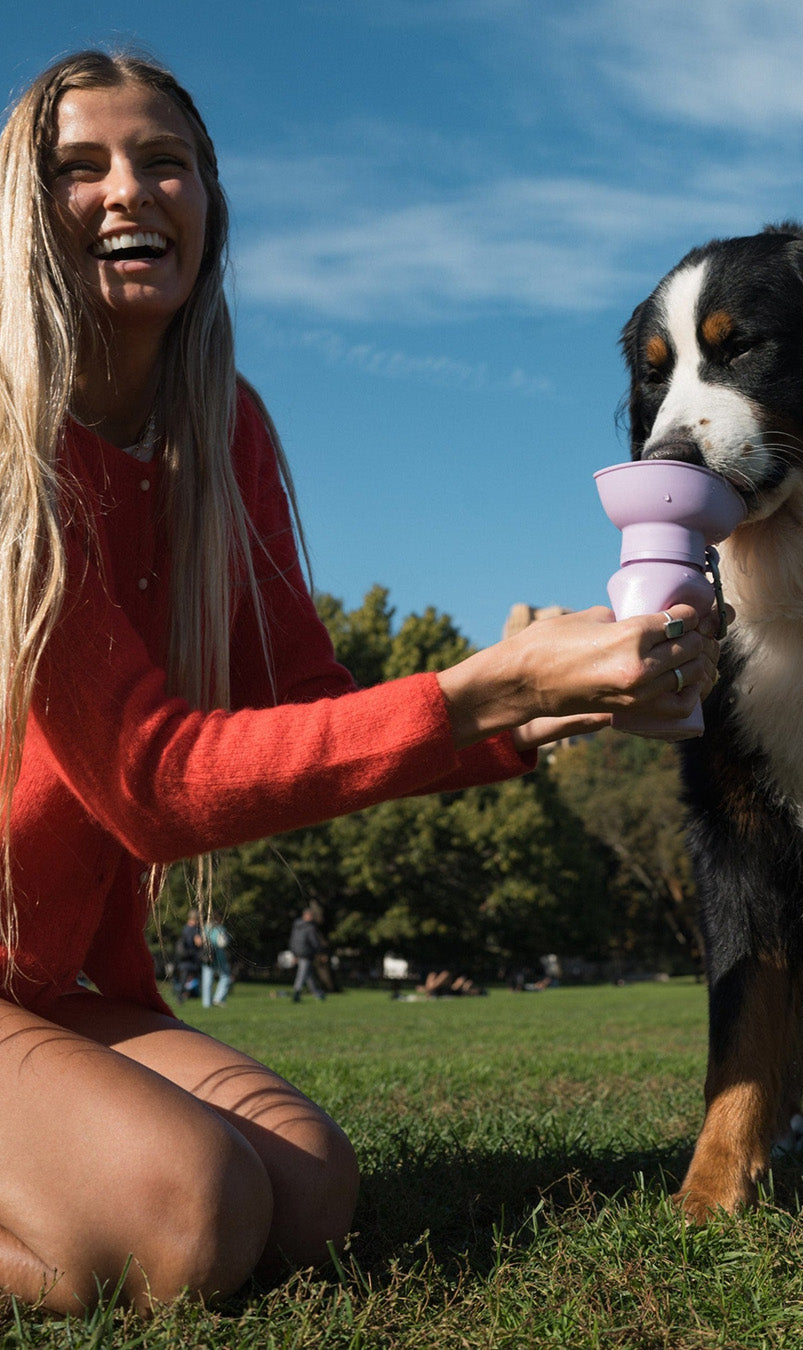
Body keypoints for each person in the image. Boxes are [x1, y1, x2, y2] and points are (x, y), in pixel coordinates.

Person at [0, 49, 721, 1315]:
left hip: (59, 985)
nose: (130, 192)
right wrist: (481, 690)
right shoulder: (11, 439)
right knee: (192, 1217)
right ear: (26, 207)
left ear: (210, 204)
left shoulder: (226, 432)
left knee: (313, 1191)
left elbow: (299, 711)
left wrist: (542, 699)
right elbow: (155, 786)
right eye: (82, 168)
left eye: (165, 163)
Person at [288, 909, 327, 1003]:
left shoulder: (296, 926)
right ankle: (297, 992)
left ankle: (318, 993)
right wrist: (321, 953)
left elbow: (292, 941)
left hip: (298, 952)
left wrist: (294, 953)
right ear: (306, 916)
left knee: (308, 975)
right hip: (306, 953)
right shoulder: (310, 927)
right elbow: (314, 942)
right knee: (302, 973)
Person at [200, 912, 232, 1008]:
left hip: (207, 958)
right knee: (225, 976)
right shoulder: (220, 929)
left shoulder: (204, 929)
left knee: (207, 980)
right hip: (219, 957)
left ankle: (207, 1003)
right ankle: (218, 998)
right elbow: (223, 943)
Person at [172, 908, 203, 1003]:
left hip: (184, 958)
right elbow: (199, 942)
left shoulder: (185, 928)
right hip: (192, 957)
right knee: (195, 978)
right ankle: (190, 994)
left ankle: (181, 996)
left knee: (183, 979)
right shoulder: (195, 930)